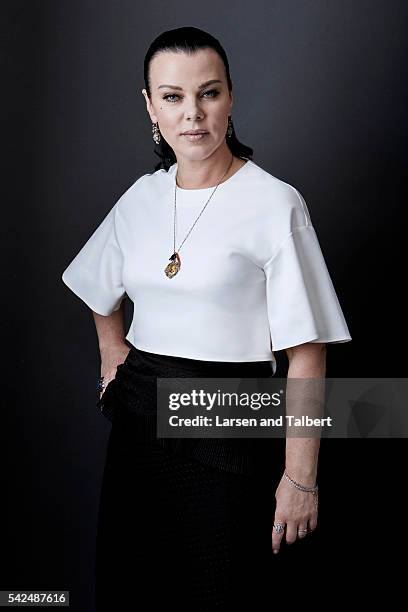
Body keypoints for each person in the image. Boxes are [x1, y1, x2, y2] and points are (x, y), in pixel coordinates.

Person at [61, 26, 352, 609]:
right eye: (172, 96)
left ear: (230, 97)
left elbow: (306, 353)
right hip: (139, 419)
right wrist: (113, 358)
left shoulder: (275, 202)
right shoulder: (141, 197)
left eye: (208, 93)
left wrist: (300, 480)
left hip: (231, 419)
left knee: (220, 591)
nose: (192, 114)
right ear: (150, 106)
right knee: (132, 585)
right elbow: (99, 290)